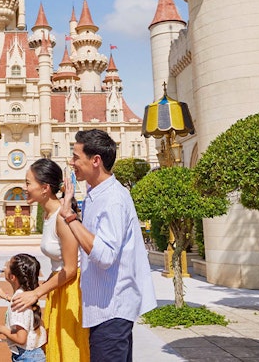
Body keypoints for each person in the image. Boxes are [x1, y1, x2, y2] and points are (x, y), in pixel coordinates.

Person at [58, 129, 156, 362]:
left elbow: (104, 255)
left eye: (75, 157)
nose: (71, 163)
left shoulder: (112, 198)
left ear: (95, 160)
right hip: (102, 309)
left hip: (112, 311)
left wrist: (70, 217)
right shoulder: (95, 194)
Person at [10, 158, 89, 362]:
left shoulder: (61, 217)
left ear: (45, 188)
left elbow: (71, 268)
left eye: (28, 183)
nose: (25, 188)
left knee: (70, 348)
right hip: (59, 286)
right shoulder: (49, 214)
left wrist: (36, 293)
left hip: (72, 290)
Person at [0, 253, 47, 362]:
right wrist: (8, 297)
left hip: (26, 356)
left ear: (12, 277)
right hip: (35, 354)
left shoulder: (18, 304)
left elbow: (21, 338)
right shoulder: (28, 295)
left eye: (7, 266)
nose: (5, 267)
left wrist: (2, 329)